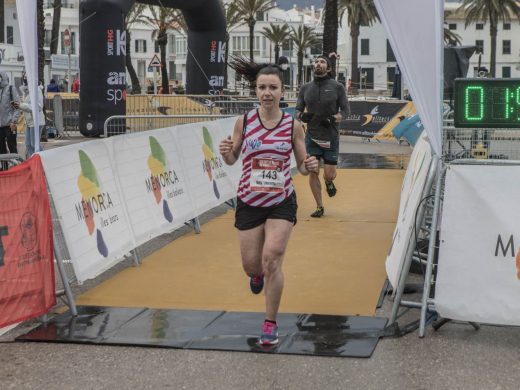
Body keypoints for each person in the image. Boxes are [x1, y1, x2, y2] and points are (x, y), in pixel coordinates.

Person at [219, 59, 319, 346]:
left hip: (280, 200)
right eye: (262, 87)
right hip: (250, 200)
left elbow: (301, 165)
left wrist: (309, 165)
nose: (267, 92)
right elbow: (232, 158)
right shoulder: (245, 121)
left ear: (282, 91)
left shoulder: (293, 125)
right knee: (253, 266)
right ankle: (256, 276)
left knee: (272, 258)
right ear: (256, 90)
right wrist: (225, 152)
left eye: (272, 87)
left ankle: (270, 322)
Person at [295, 55, 349, 218]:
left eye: (322, 61)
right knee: (312, 171)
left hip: (330, 136)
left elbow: (346, 112)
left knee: (329, 174)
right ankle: (319, 206)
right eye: (316, 61)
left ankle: (328, 181)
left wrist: (333, 118)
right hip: (311, 137)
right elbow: (297, 111)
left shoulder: (337, 87)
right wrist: (302, 117)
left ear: (329, 68)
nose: (318, 63)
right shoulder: (305, 88)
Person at [19, 82, 45, 157]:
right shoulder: (26, 91)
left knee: (34, 144)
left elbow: (39, 107)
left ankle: (44, 160)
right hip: (29, 122)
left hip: (36, 121)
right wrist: (19, 105)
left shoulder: (37, 90)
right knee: (28, 144)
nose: (25, 78)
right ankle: (33, 162)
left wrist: (21, 105)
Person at [0, 71, 21, 158]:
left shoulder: (11, 89)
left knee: (12, 147)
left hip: (10, 125)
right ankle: (4, 169)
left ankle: (17, 168)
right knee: (1, 150)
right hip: (0, 126)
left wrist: (14, 121)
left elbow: (17, 106)